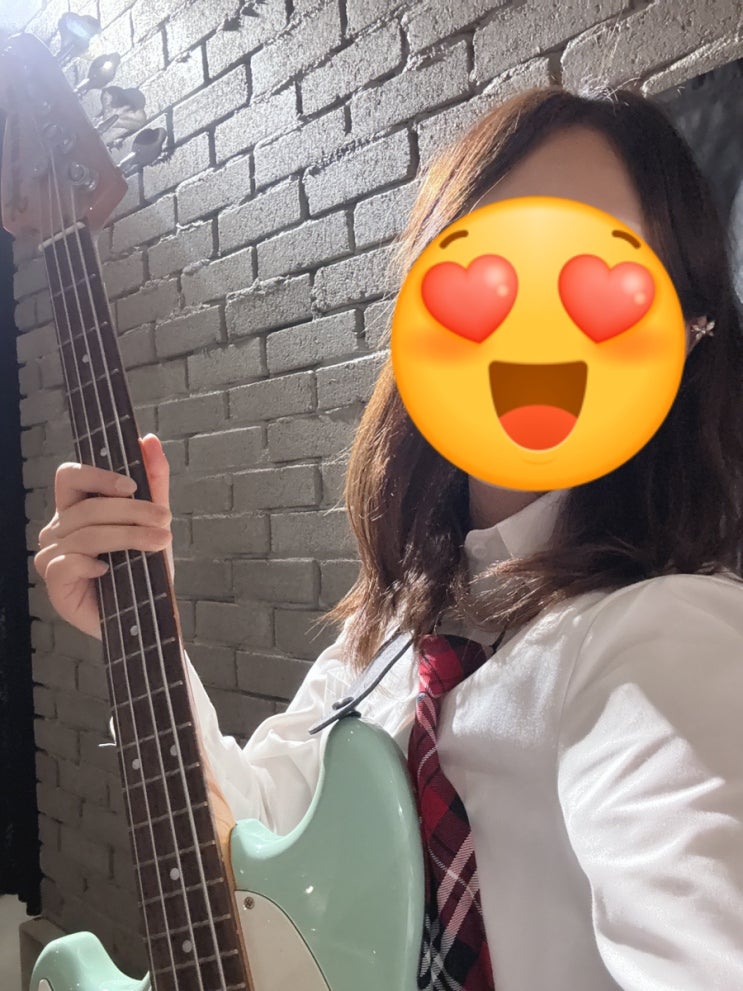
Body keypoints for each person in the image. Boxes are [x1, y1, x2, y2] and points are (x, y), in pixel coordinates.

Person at [34, 85, 743, 990]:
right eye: (485, 275)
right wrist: (142, 628)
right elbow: (254, 839)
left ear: (686, 335)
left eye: (595, 286)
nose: (532, 330)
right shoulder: (391, 636)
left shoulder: (665, 645)